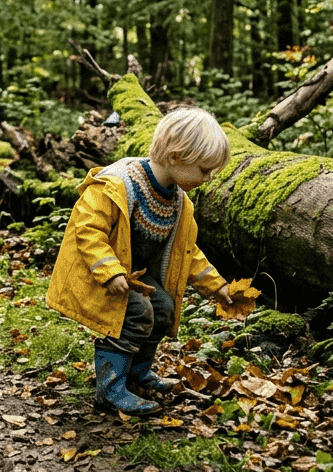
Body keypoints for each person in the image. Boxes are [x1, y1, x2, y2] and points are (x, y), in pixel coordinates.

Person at [45, 107, 235, 416]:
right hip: (102, 272)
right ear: (176, 157)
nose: (209, 178)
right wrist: (109, 271)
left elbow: (187, 252)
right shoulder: (119, 184)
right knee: (137, 311)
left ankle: (137, 373)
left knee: (162, 308)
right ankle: (109, 389)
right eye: (204, 169)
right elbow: (88, 229)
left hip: (135, 275)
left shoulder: (177, 200)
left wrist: (216, 286)